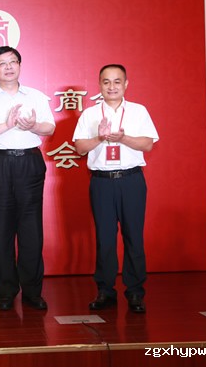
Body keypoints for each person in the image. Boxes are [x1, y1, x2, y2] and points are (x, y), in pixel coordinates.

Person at [0, 46, 56, 311]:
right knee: (2, 228)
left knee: (31, 228)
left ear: (19, 65)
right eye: (2, 63)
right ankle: (6, 291)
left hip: (29, 162)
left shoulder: (36, 96)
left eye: (13, 62)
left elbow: (49, 127)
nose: (9, 67)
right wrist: (7, 125)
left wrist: (33, 126)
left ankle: (32, 291)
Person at [73, 64, 159, 314]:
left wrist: (122, 138)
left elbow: (148, 144)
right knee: (105, 238)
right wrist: (100, 138)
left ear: (126, 84)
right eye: (106, 82)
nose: (112, 87)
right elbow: (79, 148)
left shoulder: (138, 111)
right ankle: (105, 291)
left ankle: (135, 292)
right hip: (101, 182)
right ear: (99, 84)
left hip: (131, 180)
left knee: (134, 236)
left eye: (117, 81)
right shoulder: (90, 114)